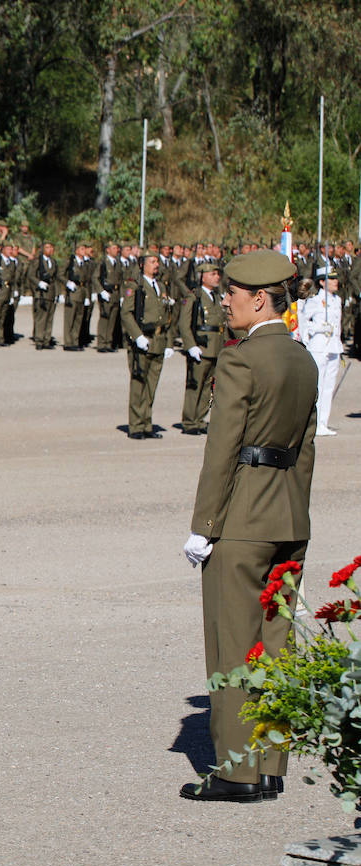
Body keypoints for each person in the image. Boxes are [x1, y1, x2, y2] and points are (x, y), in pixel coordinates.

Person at [181, 249, 317, 803]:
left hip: (241, 519)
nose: (224, 305)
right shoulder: (302, 359)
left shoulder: (242, 360)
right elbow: (304, 453)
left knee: (234, 645)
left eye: (231, 296)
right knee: (277, 643)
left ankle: (238, 772)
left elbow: (223, 451)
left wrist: (204, 525)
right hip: (287, 513)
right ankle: (272, 763)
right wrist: (295, 512)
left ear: (260, 298)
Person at [120, 253, 175, 439]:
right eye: (152, 262)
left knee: (152, 385)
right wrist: (137, 336)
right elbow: (126, 314)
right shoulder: (135, 286)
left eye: (157, 261)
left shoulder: (160, 286)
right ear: (142, 265)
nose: (156, 265)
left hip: (158, 340)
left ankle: (146, 423)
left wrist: (169, 342)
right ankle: (135, 426)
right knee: (139, 384)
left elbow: (168, 316)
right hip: (142, 340)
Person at [178, 259, 224, 436]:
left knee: (209, 387)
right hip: (201, 347)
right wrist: (190, 345)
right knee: (194, 386)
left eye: (217, 274)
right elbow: (184, 324)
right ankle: (189, 421)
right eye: (212, 274)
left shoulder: (218, 296)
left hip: (216, 348)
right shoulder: (194, 297)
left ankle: (199, 418)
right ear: (202, 276)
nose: (217, 277)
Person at [299, 264, 344, 436]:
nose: (335, 281)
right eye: (331, 279)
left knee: (329, 386)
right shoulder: (314, 300)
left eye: (335, 278)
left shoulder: (337, 300)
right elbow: (304, 321)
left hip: (333, 346)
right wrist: (317, 328)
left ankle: (323, 422)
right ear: (323, 283)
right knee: (318, 385)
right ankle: (314, 423)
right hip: (319, 346)